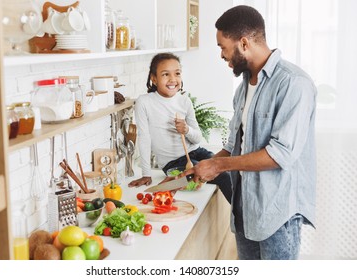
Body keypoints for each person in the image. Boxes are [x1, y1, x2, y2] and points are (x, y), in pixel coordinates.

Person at [181, 5, 317, 260]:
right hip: (245, 208)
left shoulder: (293, 84)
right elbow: (235, 145)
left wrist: (219, 164)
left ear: (243, 43)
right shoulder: (243, 88)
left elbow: (280, 155)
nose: (222, 55)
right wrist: (207, 165)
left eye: (223, 46)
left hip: (277, 213)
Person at [128, 52, 232, 203]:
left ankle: (241, 219)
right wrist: (146, 173)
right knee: (216, 175)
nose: (172, 79)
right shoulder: (144, 102)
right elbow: (144, 138)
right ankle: (174, 183)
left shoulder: (185, 101)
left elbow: (197, 138)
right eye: (165, 74)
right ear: (154, 78)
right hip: (172, 163)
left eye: (177, 73)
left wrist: (186, 130)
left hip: (197, 152)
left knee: (225, 170)